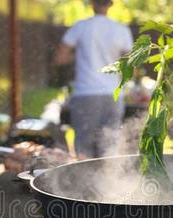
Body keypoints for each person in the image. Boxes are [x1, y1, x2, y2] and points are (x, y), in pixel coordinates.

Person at [53, 0, 133, 159]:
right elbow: (131, 63)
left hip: (86, 95)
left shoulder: (80, 27)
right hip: (113, 95)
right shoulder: (121, 30)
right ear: (110, 4)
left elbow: (60, 58)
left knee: (84, 148)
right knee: (110, 148)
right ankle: (109, 183)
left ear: (91, 3)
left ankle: (83, 183)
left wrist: (78, 55)